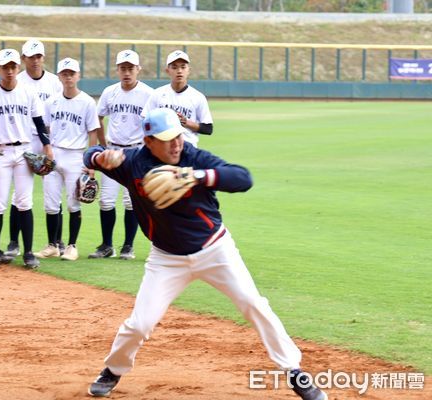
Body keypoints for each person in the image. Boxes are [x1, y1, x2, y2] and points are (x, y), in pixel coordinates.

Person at [83, 108, 327, 400]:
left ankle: (295, 372)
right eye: (166, 139)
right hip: (167, 259)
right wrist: (100, 157)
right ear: (148, 142)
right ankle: (113, 370)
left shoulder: (194, 158)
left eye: (178, 136)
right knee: (140, 324)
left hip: (215, 250)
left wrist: (196, 176)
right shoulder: (134, 163)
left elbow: (242, 178)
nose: (176, 144)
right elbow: (90, 155)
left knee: (254, 304)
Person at [0, 49, 53, 271]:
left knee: (24, 201)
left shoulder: (28, 93)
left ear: (17, 68)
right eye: (5, 67)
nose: (10, 71)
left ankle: (28, 252)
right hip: (0, 152)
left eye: (13, 67)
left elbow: (40, 124)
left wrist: (48, 148)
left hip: (23, 152)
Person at [3, 38, 65, 260]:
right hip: (24, 141)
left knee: (53, 192)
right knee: (19, 195)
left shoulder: (54, 83)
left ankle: (57, 240)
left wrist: (51, 143)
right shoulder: (18, 80)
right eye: (31, 57)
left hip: (48, 139)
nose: (35, 60)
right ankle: (13, 241)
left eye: (39, 56)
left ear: (43, 58)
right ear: (23, 59)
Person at [88, 49, 153, 260]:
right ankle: (107, 245)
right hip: (112, 149)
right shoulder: (110, 92)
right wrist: (103, 145)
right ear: (117, 70)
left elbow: (153, 124)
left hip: (135, 151)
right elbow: (98, 118)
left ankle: (128, 246)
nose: (127, 72)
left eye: (131, 68)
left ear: (138, 70)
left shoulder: (148, 94)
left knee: (130, 201)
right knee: (106, 201)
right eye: (123, 68)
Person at [36, 57, 99, 261]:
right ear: (59, 76)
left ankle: (72, 246)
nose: (68, 77)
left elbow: (93, 133)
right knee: (51, 204)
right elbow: (43, 129)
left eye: (72, 73)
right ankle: (52, 245)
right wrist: (44, 153)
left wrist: (90, 164)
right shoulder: (51, 101)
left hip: (76, 156)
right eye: (65, 73)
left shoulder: (87, 102)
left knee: (74, 203)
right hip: (54, 154)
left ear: (78, 76)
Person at [142, 50, 213, 148]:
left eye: (183, 67)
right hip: (163, 147)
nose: (179, 71)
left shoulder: (198, 97)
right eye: (174, 67)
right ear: (167, 70)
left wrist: (186, 122)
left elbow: (208, 129)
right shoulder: (157, 94)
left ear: (189, 70)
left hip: (188, 148)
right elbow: (145, 120)